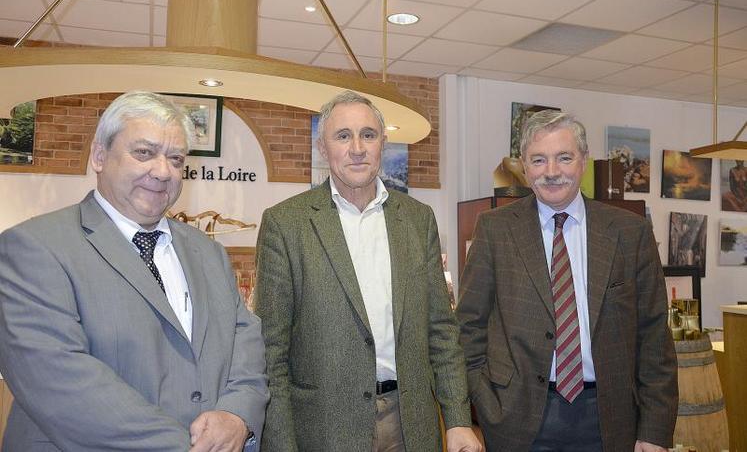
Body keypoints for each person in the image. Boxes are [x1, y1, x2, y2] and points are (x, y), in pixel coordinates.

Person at [0, 91, 268, 451]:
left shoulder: (209, 253)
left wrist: (237, 416)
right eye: (144, 152)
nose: (162, 171)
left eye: (175, 159)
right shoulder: (33, 248)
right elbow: (61, 384)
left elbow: (245, 344)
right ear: (99, 155)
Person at [254, 90, 482, 452]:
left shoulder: (417, 219)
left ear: (383, 144)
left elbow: (441, 330)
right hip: (323, 426)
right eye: (343, 136)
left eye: (368, 135)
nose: (357, 147)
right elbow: (270, 351)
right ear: (322, 148)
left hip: (410, 422)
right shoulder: (286, 224)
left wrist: (457, 419)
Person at [457, 110, 677, 452]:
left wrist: (654, 430)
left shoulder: (629, 232)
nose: (552, 172)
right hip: (516, 417)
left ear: (584, 161)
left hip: (610, 419)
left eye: (564, 157)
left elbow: (653, 339)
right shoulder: (495, 229)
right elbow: (468, 328)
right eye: (539, 160)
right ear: (524, 167)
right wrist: (485, 402)